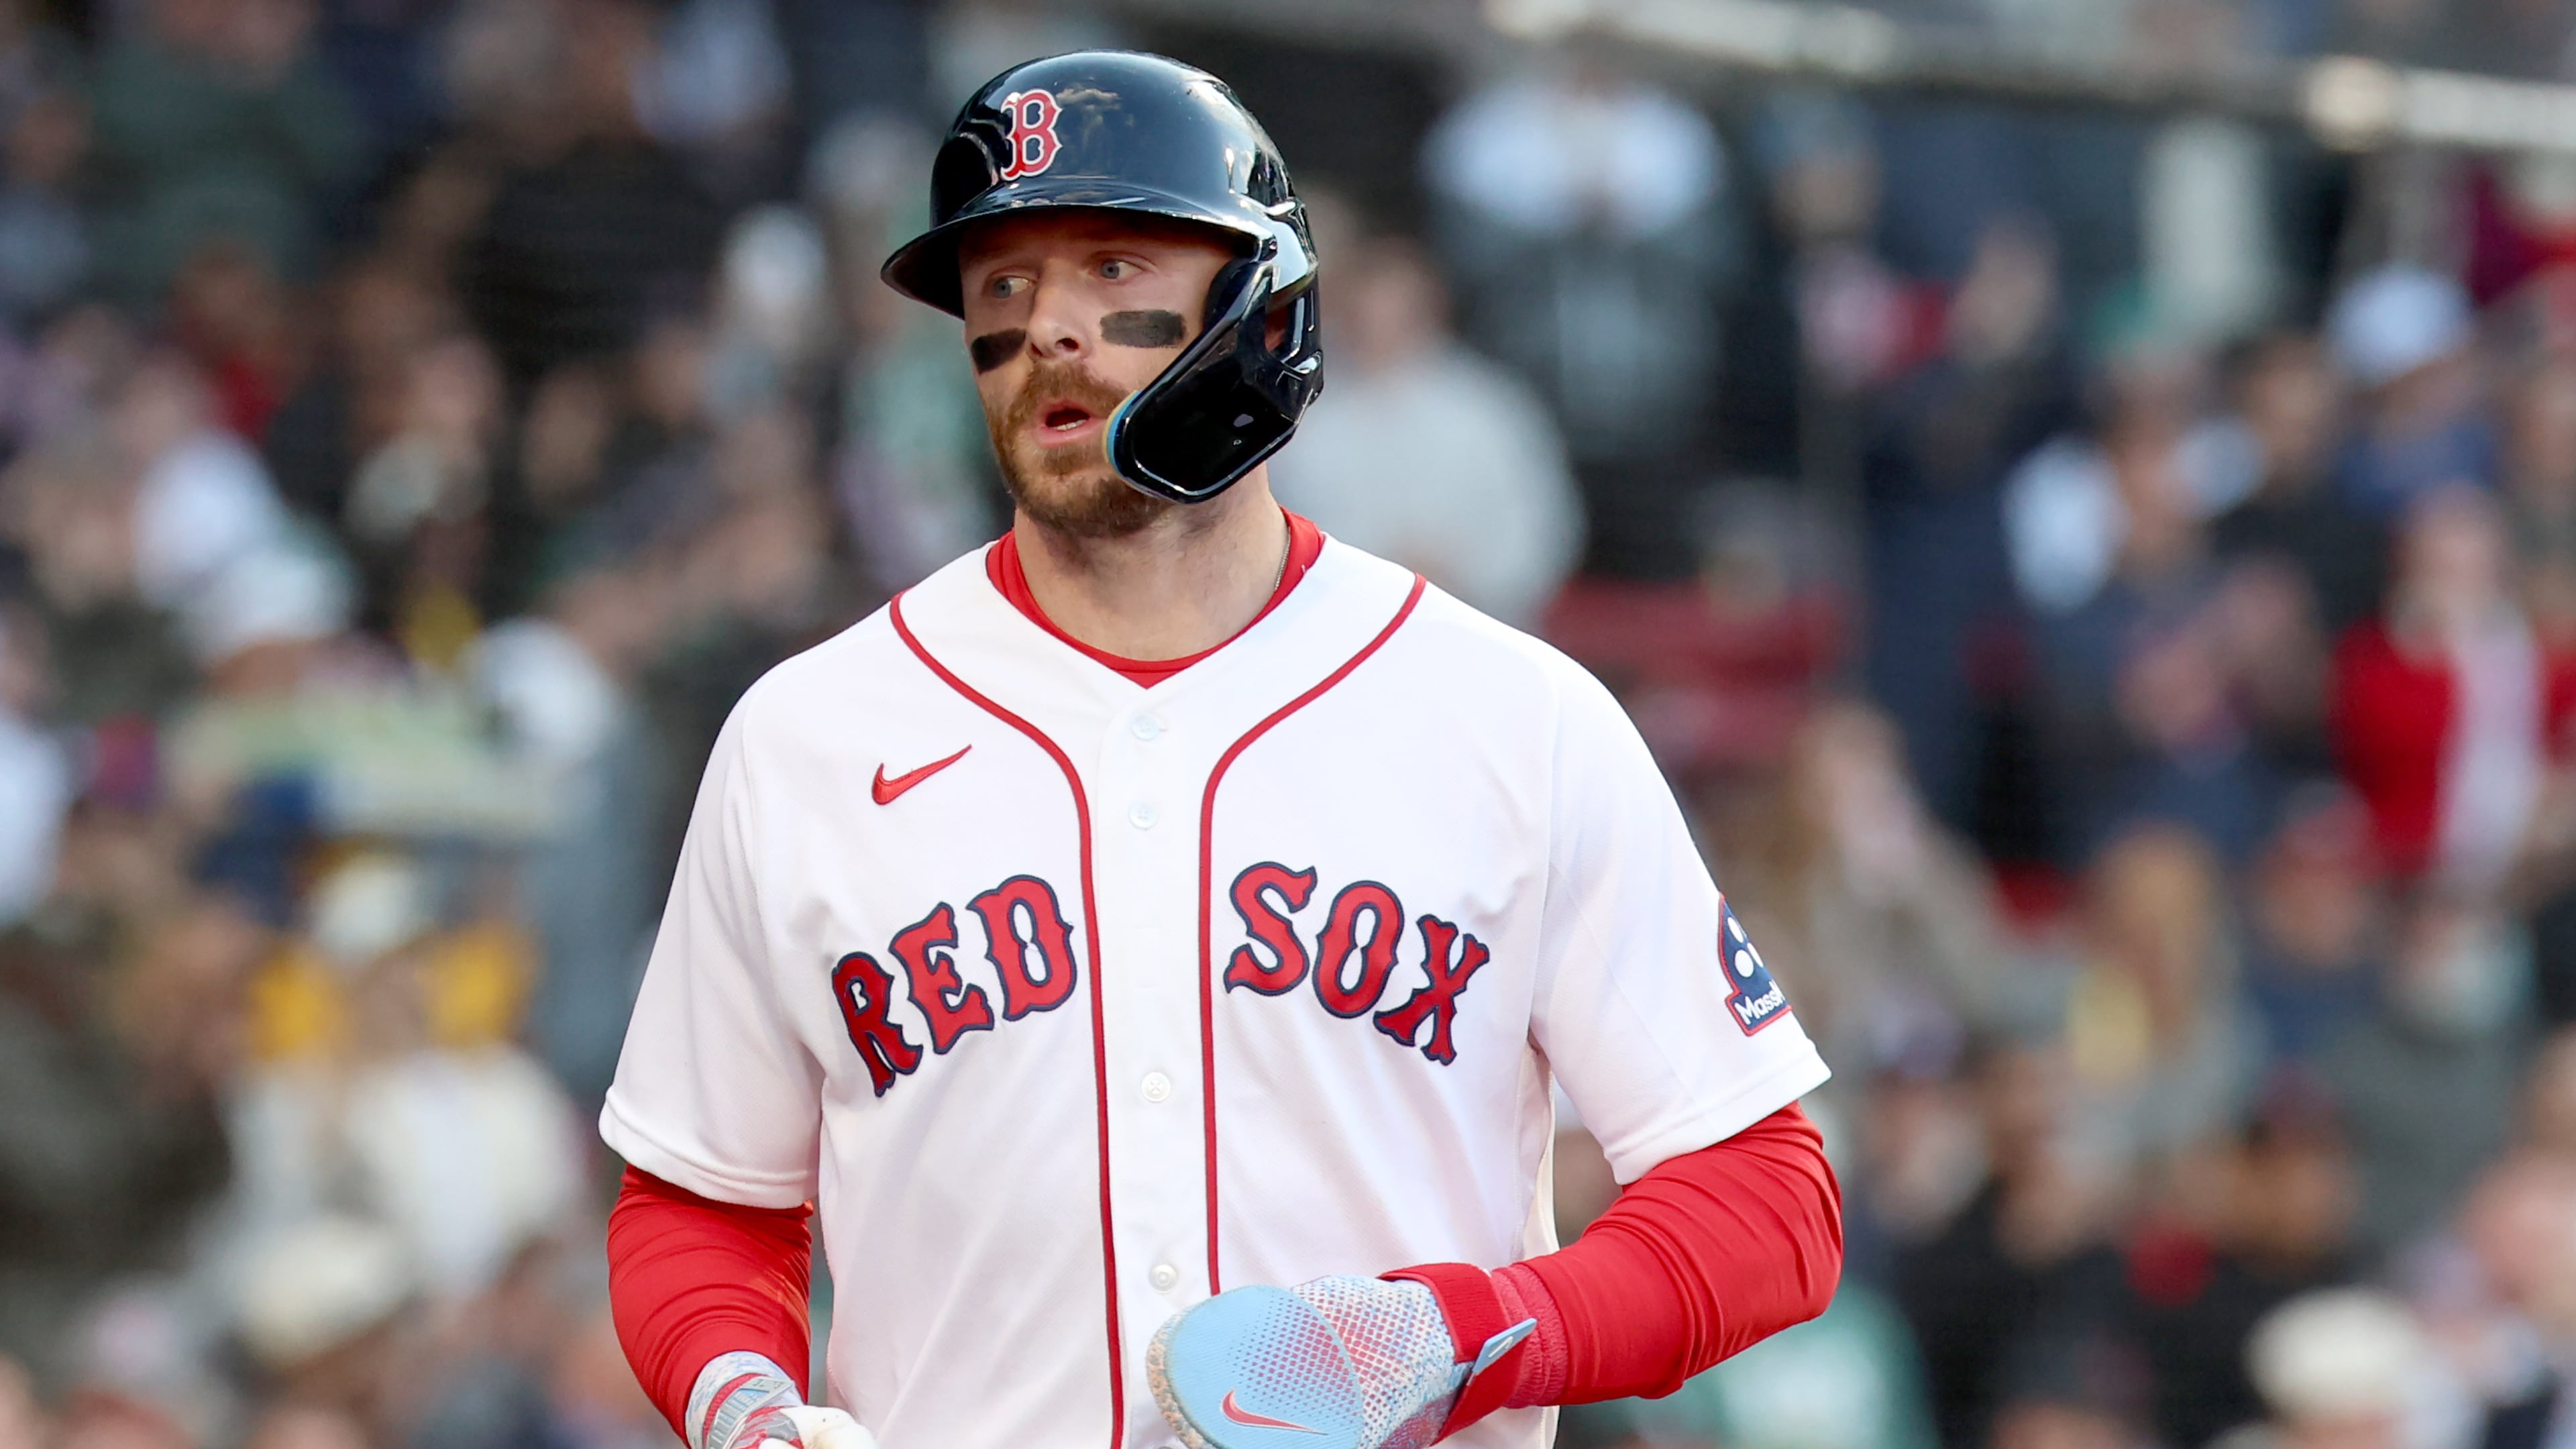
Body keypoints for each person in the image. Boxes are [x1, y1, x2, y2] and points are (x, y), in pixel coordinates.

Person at [596, 52, 1841, 1449]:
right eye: (1003, 287)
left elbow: (1768, 1201)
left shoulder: (1512, 717)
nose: (1051, 327)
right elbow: (703, 1200)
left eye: (1111, 261)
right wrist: (743, 1402)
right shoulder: (810, 737)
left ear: (1259, 300)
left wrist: (1454, 1335)